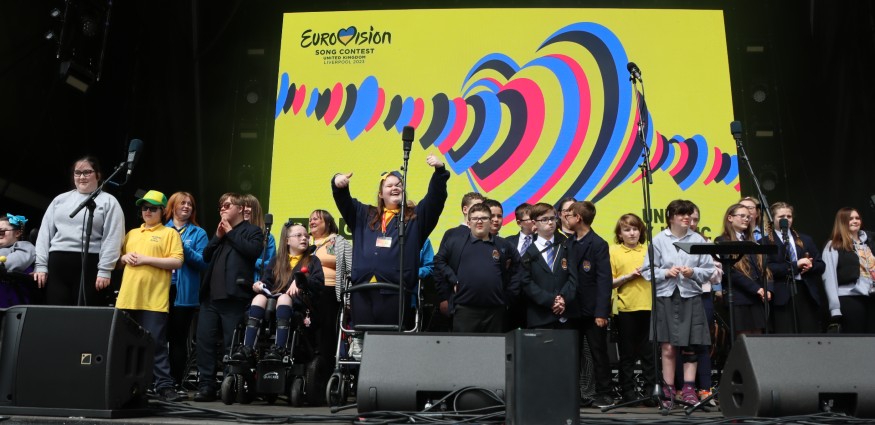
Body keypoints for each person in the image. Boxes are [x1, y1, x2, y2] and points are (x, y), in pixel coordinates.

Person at [331, 154, 449, 331]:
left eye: (398, 185)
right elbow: (343, 200)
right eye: (389, 185)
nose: (395, 188)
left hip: (396, 291)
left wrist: (439, 173)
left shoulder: (415, 219)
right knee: (362, 340)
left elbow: (435, 200)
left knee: (392, 342)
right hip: (362, 290)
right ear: (380, 193)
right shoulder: (364, 215)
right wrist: (337, 182)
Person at [641, 199, 715, 412]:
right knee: (668, 346)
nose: (686, 218)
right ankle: (669, 389)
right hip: (666, 296)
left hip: (690, 295)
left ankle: (690, 389)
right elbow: (647, 271)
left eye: (689, 215)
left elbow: (708, 270)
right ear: (671, 217)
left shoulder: (698, 239)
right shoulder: (658, 240)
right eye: (682, 214)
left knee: (692, 345)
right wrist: (665, 272)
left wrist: (693, 273)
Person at [115, 190, 184, 402]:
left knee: (156, 344)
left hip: (154, 299)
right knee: (125, 344)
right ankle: (125, 384)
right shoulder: (132, 233)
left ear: (162, 211)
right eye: (144, 208)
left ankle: (164, 385)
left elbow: (177, 262)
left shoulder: (169, 233)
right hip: (127, 298)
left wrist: (146, 259)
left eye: (153, 208)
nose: (147, 211)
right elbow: (116, 262)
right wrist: (124, 257)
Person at [194, 193, 263, 402]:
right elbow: (205, 256)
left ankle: (230, 383)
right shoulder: (221, 233)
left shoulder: (253, 231)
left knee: (229, 344)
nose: (222, 209)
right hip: (210, 299)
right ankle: (206, 385)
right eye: (220, 206)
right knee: (204, 342)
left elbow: (252, 252)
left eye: (227, 205)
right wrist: (217, 236)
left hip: (234, 297)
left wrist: (230, 233)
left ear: (241, 209)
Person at [34, 156, 125, 306]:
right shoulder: (60, 200)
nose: (81, 177)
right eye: (77, 173)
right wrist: (41, 265)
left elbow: (113, 237)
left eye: (87, 172)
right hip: (57, 263)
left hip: (90, 264)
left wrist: (105, 269)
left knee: (84, 315)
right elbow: (45, 234)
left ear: (98, 175)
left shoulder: (109, 201)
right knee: (55, 311)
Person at [233, 222, 325, 361]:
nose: (304, 238)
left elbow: (318, 283)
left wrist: (301, 281)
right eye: (299, 235)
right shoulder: (277, 260)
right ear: (287, 240)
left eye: (306, 236)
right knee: (259, 298)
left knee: (283, 298)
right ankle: (248, 348)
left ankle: (280, 349)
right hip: (274, 300)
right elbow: (267, 282)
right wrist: (260, 284)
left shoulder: (312, 260)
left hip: (299, 303)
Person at [434, 202, 519, 332]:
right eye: (475, 218)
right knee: (464, 350)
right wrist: (453, 279)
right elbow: (439, 260)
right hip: (464, 309)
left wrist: (509, 295)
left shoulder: (504, 245)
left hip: (495, 310)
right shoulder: (455, 242)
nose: (479, 221)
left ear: (490, 222)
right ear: (468, 223)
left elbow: (518, 267)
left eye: (484, 218)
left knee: (493, 350)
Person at [565, 201, 614, 408]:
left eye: (569, 214)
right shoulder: (568, 243)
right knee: (572, 353)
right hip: (572, 309)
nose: (565, 218)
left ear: (579, 218)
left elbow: (604, 281)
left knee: (598, 353)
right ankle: (573, 392)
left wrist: (602, 312)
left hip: (593, 310)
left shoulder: (598, 244)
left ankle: (604, 393)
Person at [164, 192, 209, 393]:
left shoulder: (199, 233)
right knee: (156, 337)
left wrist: (180, 245)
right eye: (182, 203)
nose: (187, 206)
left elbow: (203, 262)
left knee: (178, 339)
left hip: (184, 294)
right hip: (160, 290)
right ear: (172, 206)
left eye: (190, 204)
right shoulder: (161, 230)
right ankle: (156, 381)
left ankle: (175, 382)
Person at [609, 213, 656, 407]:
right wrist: (629, 276)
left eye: (635, 229)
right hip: (626, 308)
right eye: (627, 230)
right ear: (620, 234)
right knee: (627, 355)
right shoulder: (613, 251)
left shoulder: (649, 250)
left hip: (649, 306)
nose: (632, 233)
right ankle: (628, 393)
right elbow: (609, 282)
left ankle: (651, 392)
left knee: (649, 354)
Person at [764, 202, 825, 333]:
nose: (786, 219)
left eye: (789, 216)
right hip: (782, 294)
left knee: (810, 333)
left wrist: (810, 265)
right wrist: (794, 265)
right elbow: (768, 269)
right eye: (781, 217)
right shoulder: (765, 242)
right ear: (772, 219)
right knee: (787, 333)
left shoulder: (805, 239)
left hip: (805, 291)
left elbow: (821, 265)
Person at [715, 203, 772, 337]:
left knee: (759, 336)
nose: (746, 219)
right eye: (742, 216)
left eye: (748, 216)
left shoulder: (752, 241)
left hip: (757, 297)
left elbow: (765, 268)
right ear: (730, 218)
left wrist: (768, 288)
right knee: (745, 338)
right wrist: (755, 288)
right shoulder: (722, 240)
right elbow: (730, 271)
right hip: (739, 298)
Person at [519, 202, 576, 329]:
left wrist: (563, 298)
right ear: (534, 223)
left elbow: (573, 277)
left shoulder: (566, 245)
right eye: (544, 219)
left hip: (565, 313)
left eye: (552, 218)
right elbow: (526, 282)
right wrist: (550, 301)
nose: (550, 222)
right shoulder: (528, 253)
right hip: (539, 316)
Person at [821, 207, 875, 334]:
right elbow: (829, 277)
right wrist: (835, 308)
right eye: (850, 219)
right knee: (856, 338)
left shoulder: (869, 244)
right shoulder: (834, 245)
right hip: (849, 297)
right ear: (842, 222)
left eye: (857, 218)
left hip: (871, 297)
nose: (855, 221)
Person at [308, 209, 351, 363]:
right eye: (310, 219)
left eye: (316, 219)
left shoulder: (338, 242)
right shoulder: (304, 241)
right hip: (306, 291)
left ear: (327, 223)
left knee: (326, 332)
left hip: (329, 290)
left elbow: (350, 269)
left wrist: (349, 299)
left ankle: (326, 366)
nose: (311, 222)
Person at [433, 192, 485, 320]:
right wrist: (443, 298)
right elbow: (440, 265)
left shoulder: (487, 235)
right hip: (455, 299)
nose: (480, 212)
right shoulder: (452, 234)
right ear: (465, 209)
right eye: (476, 207)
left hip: (483, 300)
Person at [0, 214, 37, 307]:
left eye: (1, 232)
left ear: (17, 233)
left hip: (11, 303)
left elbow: (16, 262)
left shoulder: (24, 246)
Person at [242, 194, 276, 282]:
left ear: (256, 211)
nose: (245, 209)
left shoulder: (268, 236)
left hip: (256, 282)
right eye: (242, 206)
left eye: (249, 206)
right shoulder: (234, 234)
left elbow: (271, 264)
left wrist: (251, 262)